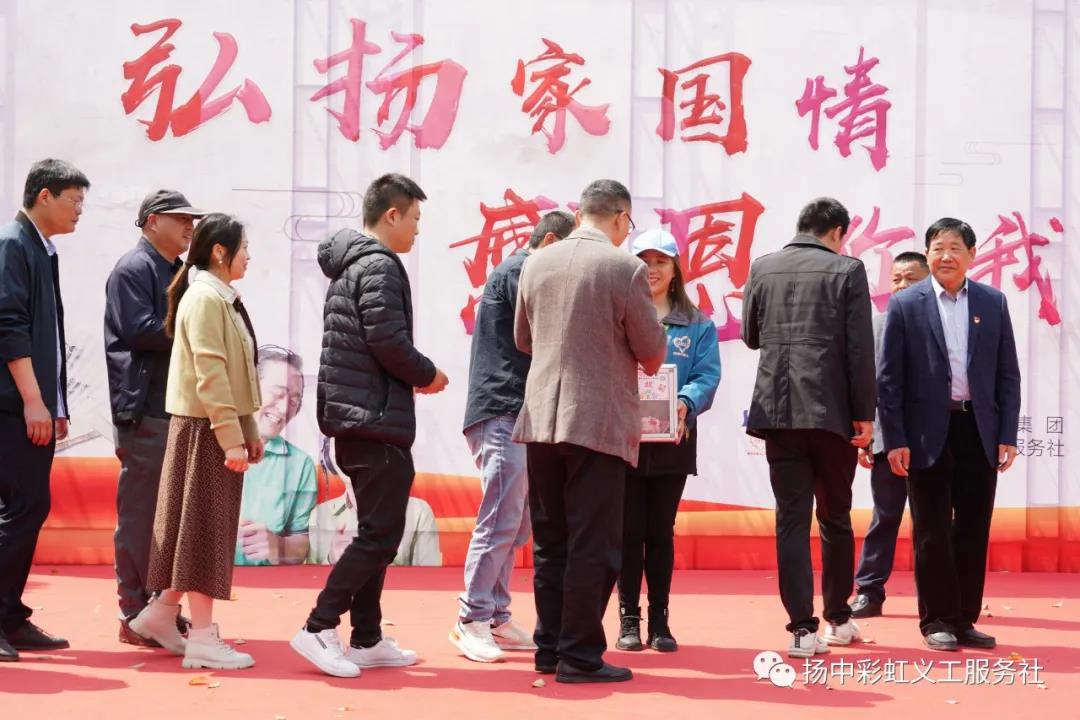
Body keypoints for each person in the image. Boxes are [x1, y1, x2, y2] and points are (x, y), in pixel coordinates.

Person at [290, 173, 448, 679]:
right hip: (373, 420)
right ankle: (318, 626)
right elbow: (387, 341)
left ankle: (367, 637)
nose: (417, 230)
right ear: (392, 215)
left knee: (378, 531)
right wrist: (428, 374)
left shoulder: (353, 265)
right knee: (381, 535)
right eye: (415, 219)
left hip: (360, 420)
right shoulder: (379, 264)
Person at [513, 179, 666, 684]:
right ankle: (579, 654)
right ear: (621, 218)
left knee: (551, 541)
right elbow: (652, 353)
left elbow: (523, 339)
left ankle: (549, 647)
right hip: (596, 420)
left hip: (541, 418)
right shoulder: (625, 268)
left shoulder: (536, 263)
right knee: (594, 544)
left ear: (579, 215)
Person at [128, 214, 264, 670]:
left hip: (212, 428)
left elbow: (236, 374)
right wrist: (231, 439)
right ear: (221, 252)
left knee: (194, 532)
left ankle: (161, 613)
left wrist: (247, 430)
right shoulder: (206, 298)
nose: (249, 256)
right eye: (244, 247)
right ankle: (203, 638)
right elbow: (211, 376)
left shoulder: (217, 296)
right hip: (205, 430)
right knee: (204, 533)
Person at [741, 197, 875, 659]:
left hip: (778, 413)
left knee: (791, 521)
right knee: (835, 516)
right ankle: (838, 618)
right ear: (837, 232)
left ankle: (801, 630)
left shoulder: (763, 267)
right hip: (832, 413)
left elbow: (751, 336)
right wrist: (865, 413)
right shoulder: (848, 270)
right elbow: (860, 348)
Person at [878, 218, 1021, 651]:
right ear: (927, 254)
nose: (946, 256)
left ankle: (963, 618)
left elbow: (1007, 374)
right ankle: (936, 619)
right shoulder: (907, 304)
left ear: (972, 255)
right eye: (938, 248)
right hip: (925, 432)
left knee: (974, 527)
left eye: (955, 248)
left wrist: (1007, 433)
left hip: (978, 429)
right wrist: (895, 438)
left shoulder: (992, 302)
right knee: (932, 530)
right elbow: (889, 380)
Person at [451, 210, 575, 664]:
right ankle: (471, 618)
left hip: (518, 413)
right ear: (550, 244)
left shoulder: (521, 270)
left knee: (516, 523)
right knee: (501, 518)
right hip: (502, 409)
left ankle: (496, 615)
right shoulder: (522, 271)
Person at [105, 189, 206, 646]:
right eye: (180, 218)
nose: (189, 226)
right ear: (151, 222)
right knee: (142, 516)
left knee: (168, 520)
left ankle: (159, 612)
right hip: (144, 410)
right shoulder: (133, 268)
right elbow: (141, 330)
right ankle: (133, 613)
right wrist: (198, 326)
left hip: (173, 409)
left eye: (192, 220)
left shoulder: (177, 271)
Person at [0, 158, 89, 662]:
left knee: (27, 508)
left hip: (31, 406)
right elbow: (9, 326)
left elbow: (47, 337)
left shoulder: (40, 247)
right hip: (12, 407)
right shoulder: (14, 244)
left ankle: (10, 617)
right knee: (21, 508)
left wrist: (55, 404)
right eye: (74, 200)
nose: (79, 211)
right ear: (45, 195)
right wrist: (34, 401)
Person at [616, 229, 720, 654]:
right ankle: (628, 619)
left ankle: (660, 620)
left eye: (661, 261)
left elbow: (707, 375)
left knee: (659, 531)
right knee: (627, 532)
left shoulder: (698, 324)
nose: (652, 269)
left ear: (676, 269)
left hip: (673, 439)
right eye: (644, 261)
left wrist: (684, 402)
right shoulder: (619, 313)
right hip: (624, 438)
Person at [848, 252, 930, 619]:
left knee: (934, 523)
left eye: (911, 279)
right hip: (887, 439)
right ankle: (869, 591)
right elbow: (868, 386)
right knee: (884, 517)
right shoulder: (877, 326)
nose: (901, 286)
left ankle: (939, 598)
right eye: (896, 279)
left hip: (933, 441)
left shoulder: (944, 326)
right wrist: (867, 436)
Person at [235, 345, 318, 567]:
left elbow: (300, 546)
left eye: (294, 401)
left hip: (264, 583)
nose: (284, 409)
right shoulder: (203, 447)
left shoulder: (300, 464)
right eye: (278, 393)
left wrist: (276, 546)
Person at [308, 437, 442, 567]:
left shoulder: (418, 513)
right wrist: (330, 559)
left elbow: (430, 580)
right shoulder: (319, 516)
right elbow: (308, 579)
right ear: (328, 457)